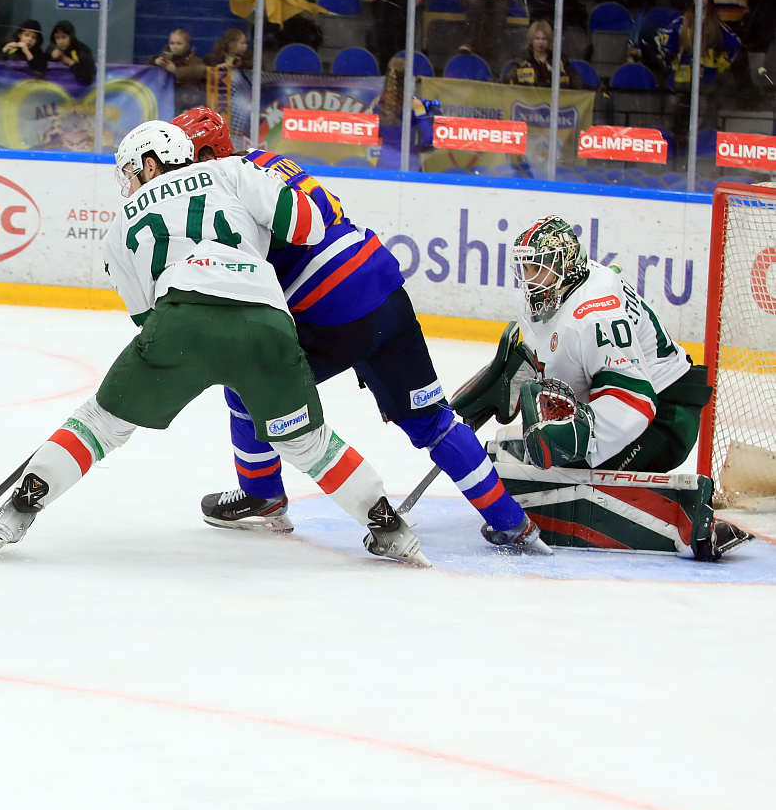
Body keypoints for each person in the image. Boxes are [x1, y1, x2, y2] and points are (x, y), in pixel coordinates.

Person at [0, 120, 427, 565]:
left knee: (99, 425)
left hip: (181, 322)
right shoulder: (233, 171)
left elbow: (146, 317)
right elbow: (309, 227)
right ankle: (390, 528)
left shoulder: (121, 225)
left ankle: (19, 509)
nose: (130, 183)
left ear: (152, 161)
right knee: (307, 444)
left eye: (132, 171)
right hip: (266, 323)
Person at [173, 107, 545, 552]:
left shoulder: (218, 192)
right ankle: (512, 523)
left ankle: (262, 496)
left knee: (244, 387)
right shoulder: (267, 160)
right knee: (434, 422)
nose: (176, 172)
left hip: (332, 311)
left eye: (182, 158)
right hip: (385, 289)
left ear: (207, 154)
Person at [450, 216, 750, 559]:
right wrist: (510, 381)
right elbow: (557, 352)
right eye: (525, 268)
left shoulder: (594, 316)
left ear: (564, 266)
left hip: (665, 415)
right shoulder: (564, 286)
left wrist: (581, 436)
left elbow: (634, 399)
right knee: (522, 451)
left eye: (537, 268)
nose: (528, 278)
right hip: (637, 400)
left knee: (561, 471)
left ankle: (687, 522)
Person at [375, 56, 436, 170]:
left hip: (384, 165)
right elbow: (429, 138)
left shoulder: (377, 102)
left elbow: (372, 133)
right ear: (408, 79)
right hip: (409, 165)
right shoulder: (415, 105)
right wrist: (416, 150)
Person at [500, 20, 584, 87]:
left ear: (549, 41)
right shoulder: (520, 60)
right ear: (532, 40)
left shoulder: (560, 60)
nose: (541, 42)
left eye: (544, 39)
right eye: (537, 38)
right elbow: (505, 85)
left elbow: (579, 84)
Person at [153, 28, 205, 108]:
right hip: (166, 97)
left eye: (179, 44)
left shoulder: (192, 59)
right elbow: (146, 69)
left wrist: (176, 70)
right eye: (172, 43)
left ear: (186, 45)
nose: (174, 47)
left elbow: (196, 72)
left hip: (186, 99)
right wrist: (155, 62)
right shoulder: (165, 56)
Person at [47, 19, 96, 86]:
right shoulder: (52, 49)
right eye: (57, 38)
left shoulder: (82, 50)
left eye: (64, 37)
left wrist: (69, 61)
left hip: (80, 91)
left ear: (71, 36)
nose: (60, 42)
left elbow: (88, 78)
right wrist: (51, 57)